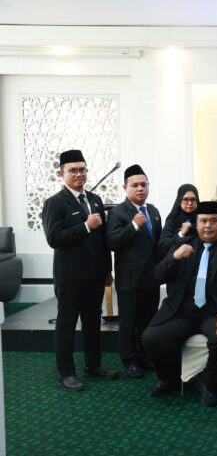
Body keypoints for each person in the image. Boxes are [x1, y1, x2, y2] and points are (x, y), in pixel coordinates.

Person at [141, 201, 217, 406]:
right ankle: (169, 378)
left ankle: (208, 383)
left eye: (213, 221)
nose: (208, 226)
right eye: (203, 221)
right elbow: (157, 275)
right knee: (151, 338)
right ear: (196, 223)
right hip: (183, 311)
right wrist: (173, 258)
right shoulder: (184, 244)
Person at [42, 149, 118, 391]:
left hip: (95, 275)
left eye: (82, 170)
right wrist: (85, 226)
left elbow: (103, 239)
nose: (78, 174)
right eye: (73, 170)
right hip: (70, 277)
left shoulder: (95, 199)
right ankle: (66, 373)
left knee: (92, 323)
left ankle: (93, 365)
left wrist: (107, 269)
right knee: (66, 325)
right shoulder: (54, 203)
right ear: (61, 173)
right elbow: (54, 238)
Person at [106, 164, 162, 379]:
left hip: (151, 277)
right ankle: (129, 359)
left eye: (143, 184)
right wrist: (133, 226)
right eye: (135, 185)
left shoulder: (153, 211)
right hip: (130, 279)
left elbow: (158, 244)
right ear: (125, 188)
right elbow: (112, 242)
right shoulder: (118, 212)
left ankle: (143, 355)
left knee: (147, 319)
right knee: (129, 322)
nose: (140, 188)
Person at [159, 184, 199, 258]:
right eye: (186, 199)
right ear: (179, 200)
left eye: (193, 199)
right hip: (177, 261)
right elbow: (163, 247)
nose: (190, 203)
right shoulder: (173, 220)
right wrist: (181, 233)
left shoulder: (202, 220)